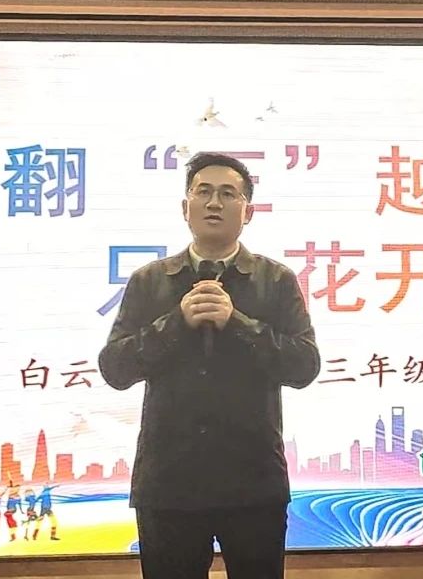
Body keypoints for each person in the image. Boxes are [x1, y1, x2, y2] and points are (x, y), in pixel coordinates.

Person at [99, 152, 321, 579]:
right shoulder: (150, 280)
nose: (214, 202)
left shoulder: (276, 280)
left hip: (253, 482)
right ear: (186, 207)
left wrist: (238, 324)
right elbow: (115, 368)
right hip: (168, 483)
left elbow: (304, 366)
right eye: (203, 192)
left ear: (247, 211)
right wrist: (175, 323)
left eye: (228, 194)